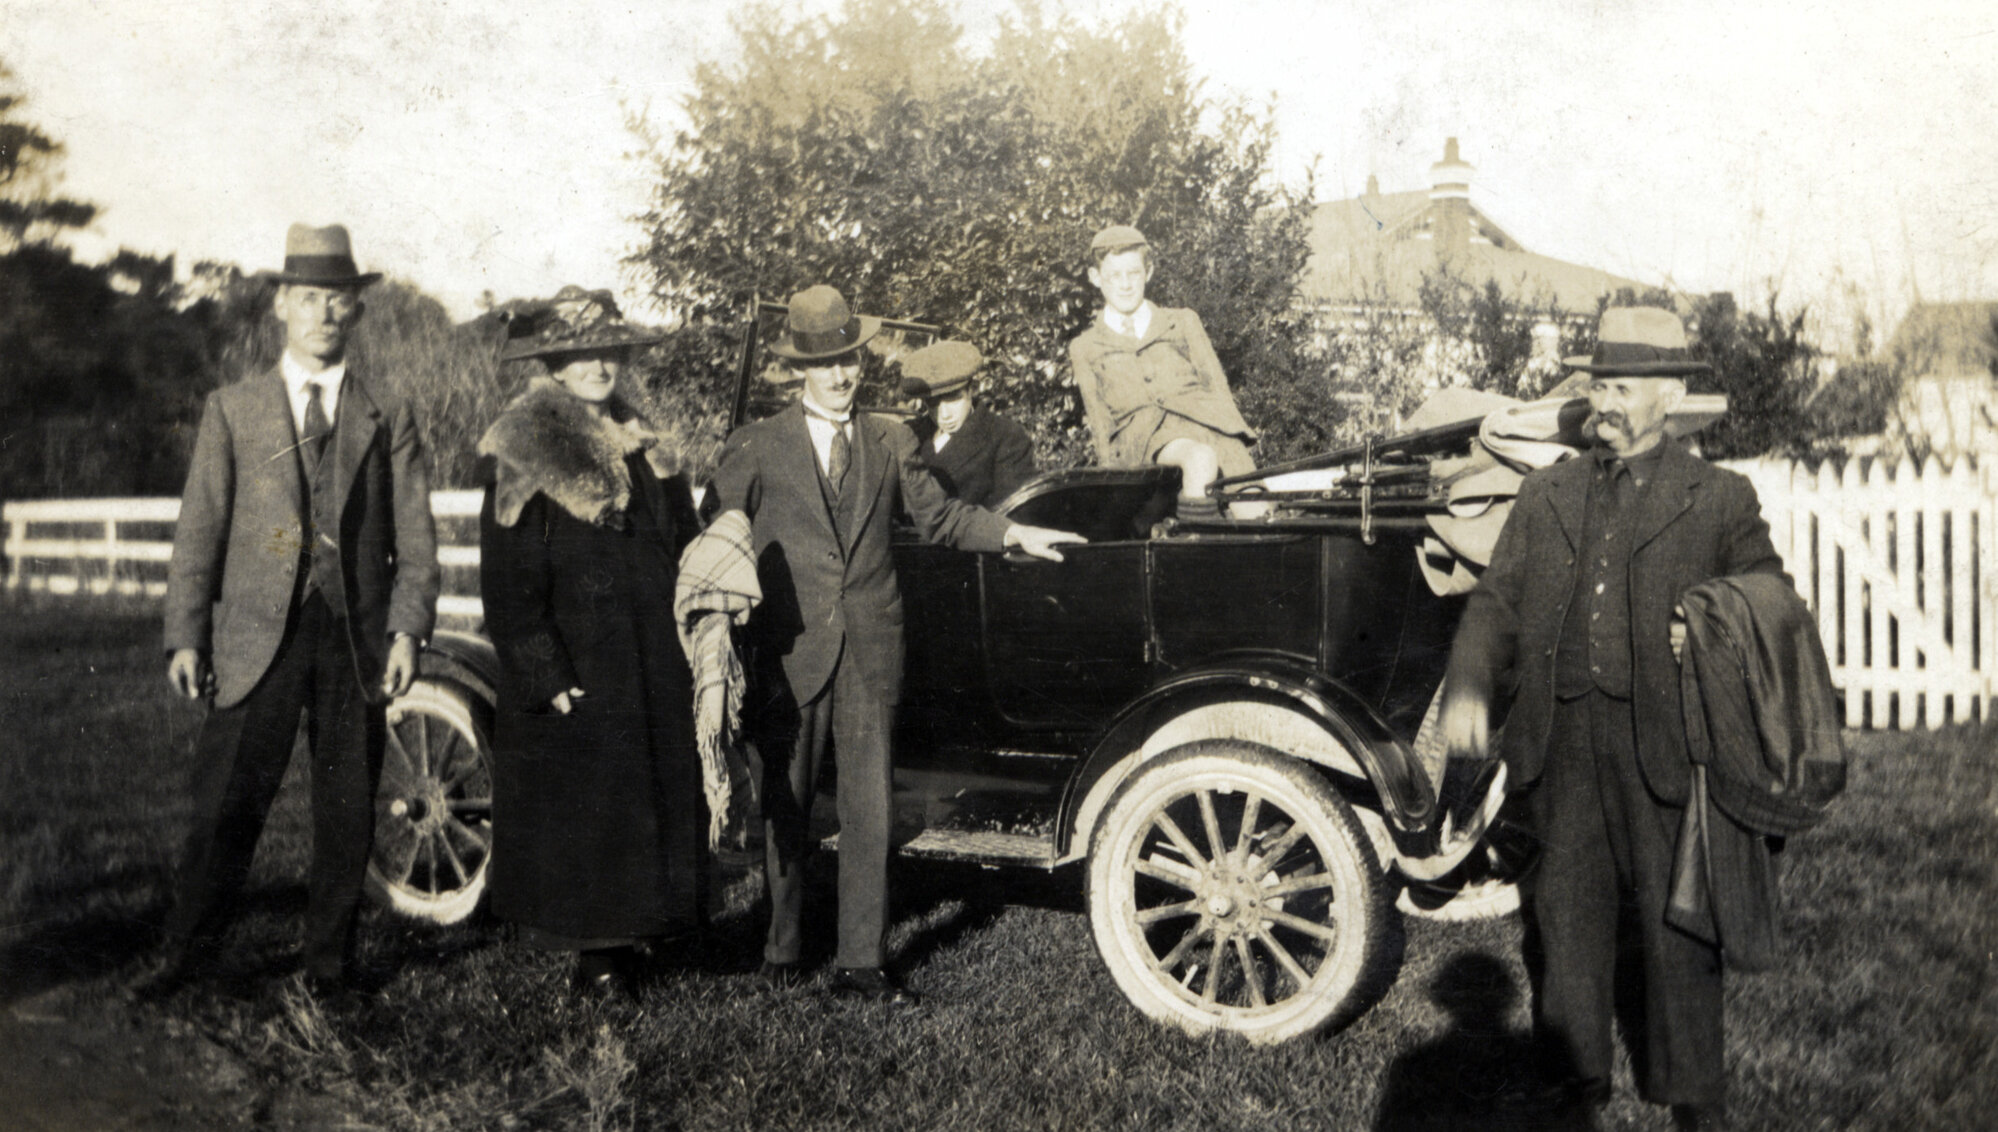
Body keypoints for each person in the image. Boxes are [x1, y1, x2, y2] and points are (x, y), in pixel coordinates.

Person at [1438, 307, 1787, 1131]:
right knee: (1564, 918)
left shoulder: (1719, 498)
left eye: (1623, 386)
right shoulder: (1547, 491)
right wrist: (1468, 685)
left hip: (1666, 748)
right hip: (1560, 746)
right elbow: (1497, 602)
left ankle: (1696, 1094)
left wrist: (1708, 615)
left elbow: (1772, 597)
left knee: (1680, 929)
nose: (1605, 401)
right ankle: (1576, 1078)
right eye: (1598, 383)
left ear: (1669, 397)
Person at [708, 285, 1081, 1005]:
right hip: (789, 653)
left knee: (868, 809)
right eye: (826, 365)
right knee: (784, 804)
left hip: (872, 648)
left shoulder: (890, 440)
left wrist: (1014, 533)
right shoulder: (754, 446)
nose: (843, 375)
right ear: (796, 370)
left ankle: (861, 962)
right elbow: (718, 538)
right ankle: (783, 948)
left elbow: (942, 519)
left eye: (850, 359)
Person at [149, 224, 439, 997]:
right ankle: (187, 960)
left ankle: (330, 969)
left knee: (346, 812)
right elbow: (199, 528)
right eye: (309, 298)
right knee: (227, 806)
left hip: (355, 637)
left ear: (357, 313)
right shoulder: (234, 409)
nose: (324, 315)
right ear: (282, 305)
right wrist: (186, 632)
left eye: (339, 301)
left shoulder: (388, 413)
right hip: (254, 637)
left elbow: (415, 531)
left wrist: (408, 625)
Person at [476, 286, 707, 998]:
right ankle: (597, 955)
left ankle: (644, 930)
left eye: (607, 349)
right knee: (591, 799)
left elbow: (682, 541)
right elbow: (508, 576)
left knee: (651, 791)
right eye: (580, 353)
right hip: (582, 659)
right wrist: (543, 668)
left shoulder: (647, 443)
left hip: (651, 653)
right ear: (555, 362)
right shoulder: (526, 446)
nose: (597, 364)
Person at [1068, 224, 1258, 518]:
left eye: (1133, 273)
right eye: (1114, 276)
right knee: (1200, 458)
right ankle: (1194, 548)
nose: (1125, 284)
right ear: (1096, 278)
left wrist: (1235, 437)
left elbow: (1217, 387)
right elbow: (1100, 422)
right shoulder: (1086, 346)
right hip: (1144, 438)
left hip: (1209, 425)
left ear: (1149, 272)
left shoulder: (1181, 321)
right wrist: (1113, 494)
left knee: (1257, 507)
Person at [899, 339, 1037, 509]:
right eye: (933, 404)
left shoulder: (1006, 437)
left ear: (972, 389)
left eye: (953, 399)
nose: (944, 415)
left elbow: (1010, 515)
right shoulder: (910, 433)